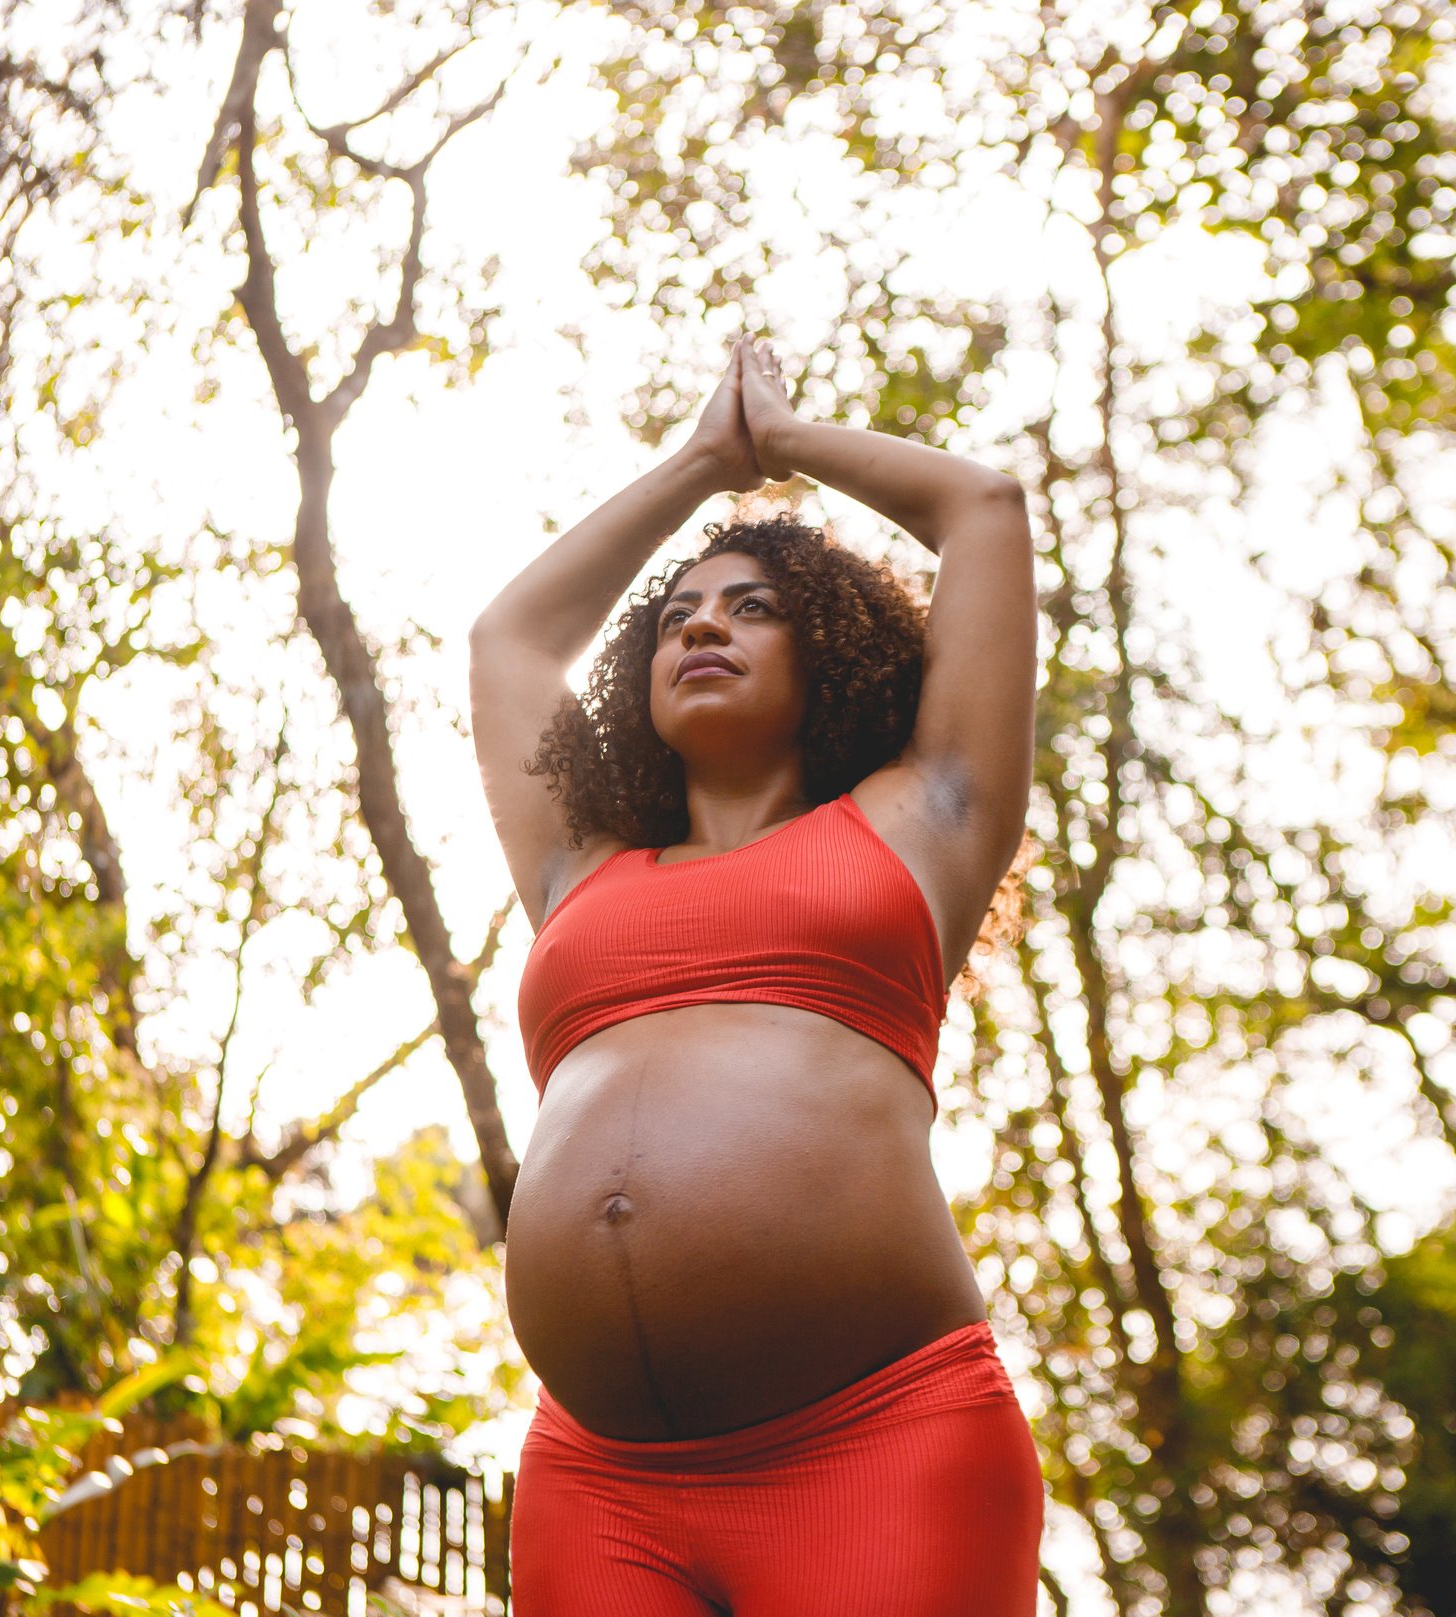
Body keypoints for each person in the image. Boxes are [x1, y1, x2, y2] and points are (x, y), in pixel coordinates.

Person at [469, 334, 1043, 1614]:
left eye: (750, 606)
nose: (704, 628)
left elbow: (981, 508)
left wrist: (773, 449)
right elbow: (511, 636)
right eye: (676, 619)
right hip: (595, 1477)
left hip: (879, 1445)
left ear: (828, 653)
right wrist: (692, 466)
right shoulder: (580, 868)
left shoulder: (918, 822)